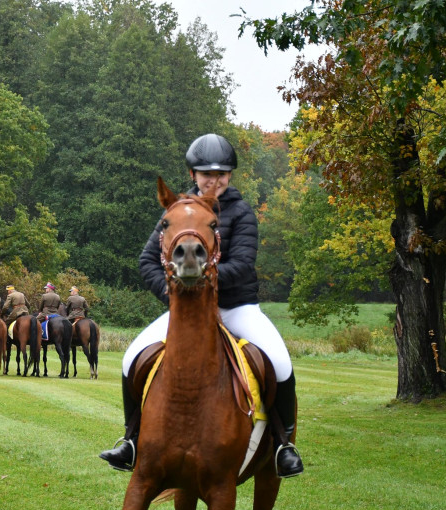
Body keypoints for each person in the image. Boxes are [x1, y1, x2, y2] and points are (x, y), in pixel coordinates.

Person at [99, 133, 304, 479]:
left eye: (223, 173)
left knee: (280, 363)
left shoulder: (241, 212)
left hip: (236, 308)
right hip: (186, 311)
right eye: (207, 174)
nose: (215, 180)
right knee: (130, 357)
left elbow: (242, 264)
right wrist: (178, 297)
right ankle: (131, 439)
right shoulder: (177, 211)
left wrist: (202, 282)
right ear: (193, 174)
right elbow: (147, 261)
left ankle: (284, 444)